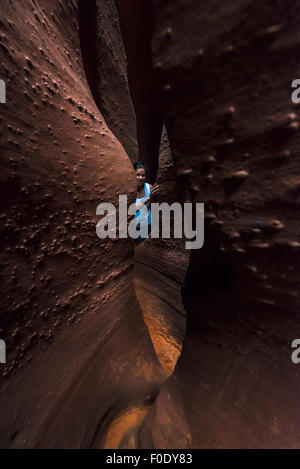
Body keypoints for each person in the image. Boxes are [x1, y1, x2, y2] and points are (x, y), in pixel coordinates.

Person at [133, 161, 159, 244]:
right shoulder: (129, 189)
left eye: (143, 175)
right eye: (137, 175)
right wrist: (148, 198)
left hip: (147, 226)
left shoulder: (149, 187)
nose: (140, 178)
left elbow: (153, 207)